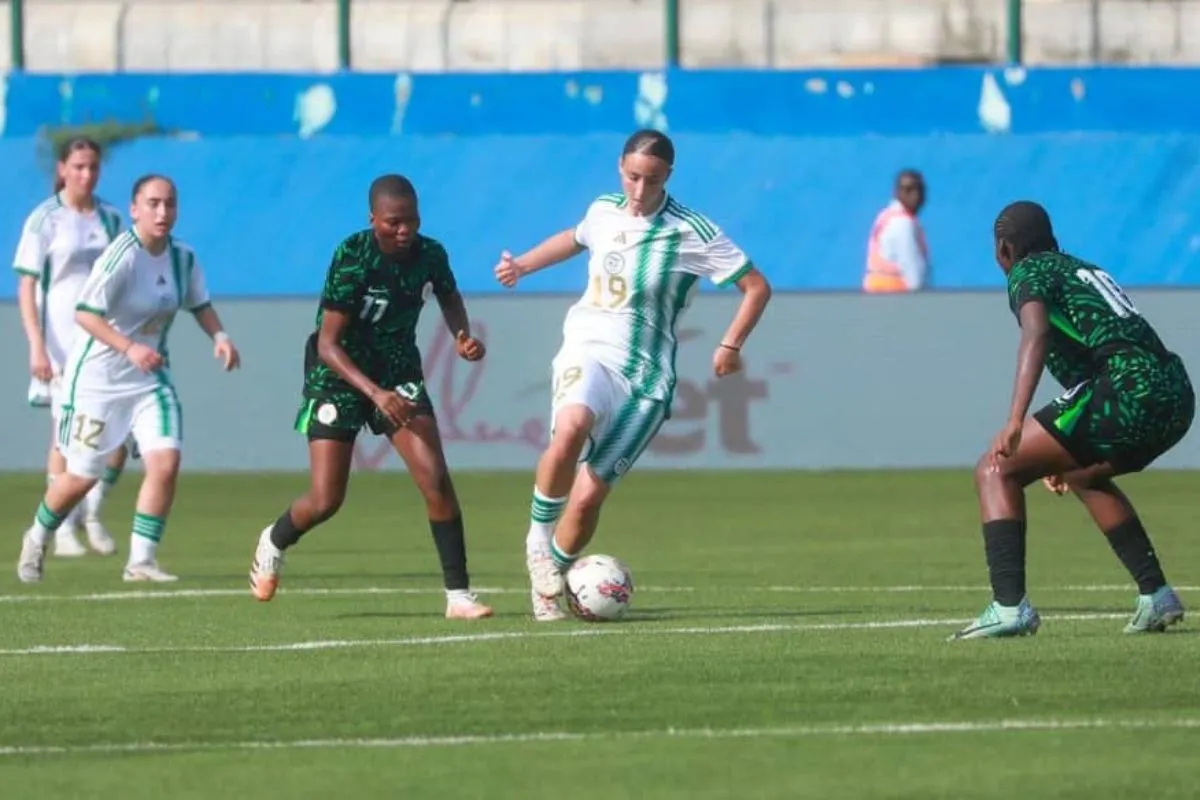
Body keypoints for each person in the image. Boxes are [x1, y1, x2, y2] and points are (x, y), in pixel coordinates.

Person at [494, 129, 773, 622]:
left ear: (669, 177)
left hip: (646, 380)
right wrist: (523, 266)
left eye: (651, 180)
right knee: (572, 426)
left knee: (588, 496)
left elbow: (756, 287)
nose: (639, 190)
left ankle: (550, 582)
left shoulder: (692, 231)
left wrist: (730, 345)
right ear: (619, 167)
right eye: (631, 177)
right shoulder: (604, 208)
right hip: (589, 348)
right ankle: (538, 540)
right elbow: (576, 237)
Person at [248, 174, 493, 621]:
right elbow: (328, 343)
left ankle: (458, 596)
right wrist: (376, 395)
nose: (404, 231)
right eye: (393, 222)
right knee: (327, 499)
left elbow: (449, 295)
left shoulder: (431, 254)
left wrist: (462, 336)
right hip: (338, 373)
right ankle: (275, 540)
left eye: (412, 221)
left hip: (398, 371)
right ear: (373, 219)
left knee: (435, 478)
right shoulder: (353, 255)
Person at [953, 200, 1194, 640]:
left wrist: (1015, 419)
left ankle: (1009, 607)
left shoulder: (1028, 272)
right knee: (1080, 473)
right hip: (1174, 392)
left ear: (1005, 249)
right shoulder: (1080, 268)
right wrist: (1066, 449)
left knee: (995, 468)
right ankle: (1155, 594)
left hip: (1125, 388)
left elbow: (1037, 332)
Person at [16, 174, 241, 584]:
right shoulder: (121, 255)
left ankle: (141, 561)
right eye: (153, 203)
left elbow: (199, 303)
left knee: (166, 459)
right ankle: (37, 535)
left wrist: (220, 337)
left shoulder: (182, 258)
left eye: (170, 204)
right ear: (134, 209)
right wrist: (129, 347)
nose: (163, 212)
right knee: (81, 477)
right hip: (96, 383)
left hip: (148, 382)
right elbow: (84, 313)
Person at [13, 136, 133, 559]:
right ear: (63, 169)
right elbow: (27, 286)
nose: (86, 175)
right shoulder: (44, 220)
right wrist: (37, 347)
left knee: (121, 435)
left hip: (106, 346)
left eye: (93, 167)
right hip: (61, 348)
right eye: (78, 167)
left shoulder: (112, 219)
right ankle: (60, 527)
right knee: (65, 438)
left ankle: (92, 513)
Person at [862, 168, 930, 293]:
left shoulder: (885, 217)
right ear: (897, 192)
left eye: (919, 190)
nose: (916, 196)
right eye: (908, 190)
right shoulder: (903, 225)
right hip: (897, 302)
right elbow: (914, 275)